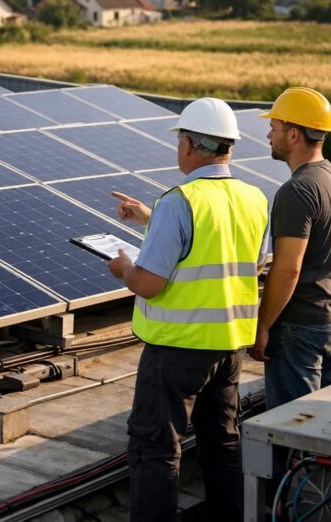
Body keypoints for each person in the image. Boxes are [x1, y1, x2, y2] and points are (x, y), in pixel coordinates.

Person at [108, 97, 269, 522]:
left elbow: (150, 283)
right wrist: (150, 218)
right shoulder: (254, 198)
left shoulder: (179, 200)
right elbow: (232, 255)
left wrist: (125, 268)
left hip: (177, 350)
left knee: (155, 450)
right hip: (229, 346)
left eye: (180, 139)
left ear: (191, 146)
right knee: (223, 443)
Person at [248, 87, 331, 409]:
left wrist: (262, 326)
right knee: (320, 427)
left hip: (301, 328)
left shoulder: (297, 190)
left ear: (293, 134)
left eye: (275, 127)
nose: (269, 134)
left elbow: (288, 268)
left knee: (294, 428)